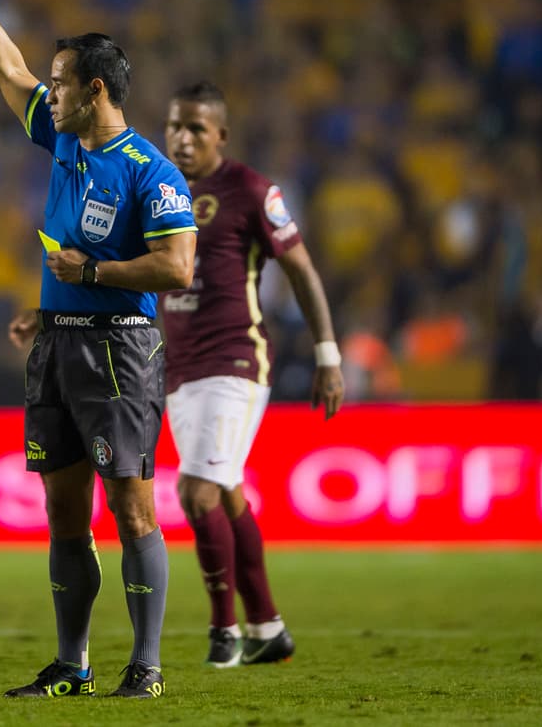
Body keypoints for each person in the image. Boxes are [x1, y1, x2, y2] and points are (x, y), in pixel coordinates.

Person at [0, 0, 198, 699]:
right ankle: (72, 664)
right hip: (58, 346)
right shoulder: (60, 137)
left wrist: (92, 274)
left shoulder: (151, 172)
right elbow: (5, 68)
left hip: (122, 352)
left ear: (94, 90)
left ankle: (147, 667)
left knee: (130, 504)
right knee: (63, 511)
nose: (46, 94)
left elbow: (178, 267)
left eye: (59, 85)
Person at [159, 81, 344, 668]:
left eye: (195, 128)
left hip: (236, 360)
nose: (182, 138)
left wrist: (327, 354)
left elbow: (302, 271)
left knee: (195, 490)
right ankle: (268, 628)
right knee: (227, 494)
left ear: (220, 135)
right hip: (181, 368)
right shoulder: (158, 190)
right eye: (174, 126)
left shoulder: (250, 189)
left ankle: (225, 631)